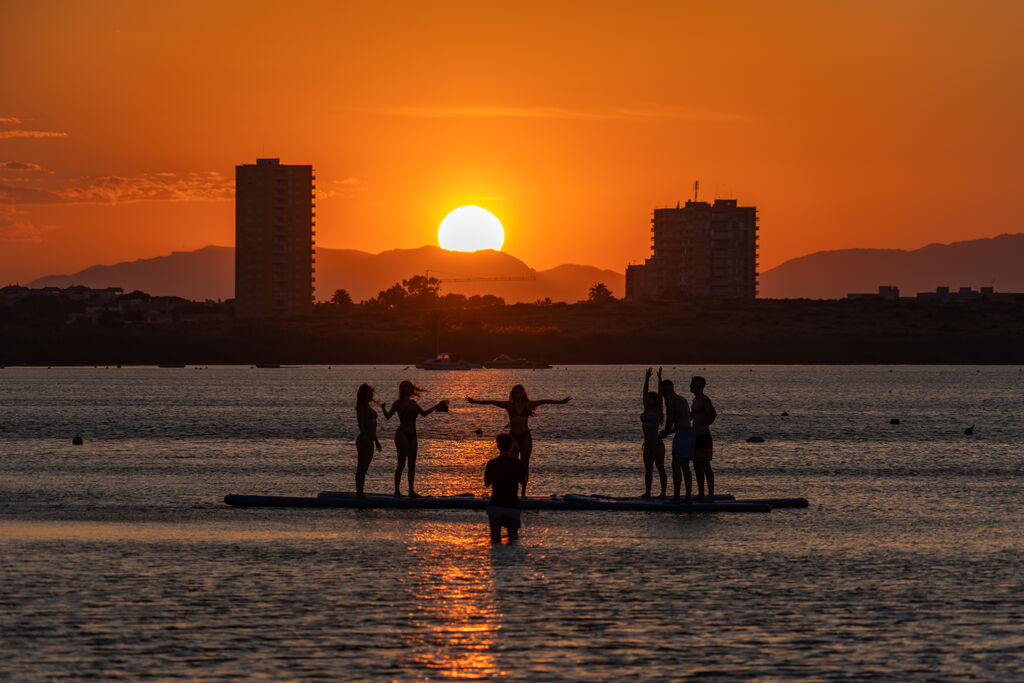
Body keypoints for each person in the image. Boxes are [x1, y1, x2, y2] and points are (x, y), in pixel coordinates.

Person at [466, 384, 571, 497]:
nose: (519, 395)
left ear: (523, 393)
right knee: (514, 464)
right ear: (513, 394)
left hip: (525, 436)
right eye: (516, 392)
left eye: (520, 392)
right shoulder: (509, 405)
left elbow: (544, 401)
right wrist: (475, 401)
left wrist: (560, 402)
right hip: (513, 436)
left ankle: (523, 493)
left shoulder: (528, 404)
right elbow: (492, 402)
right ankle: (513, 492)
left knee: (525, 464)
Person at [382, 380, 448, 497]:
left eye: (409, 387)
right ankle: (397, 491)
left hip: (413, 435)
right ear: (402, 390)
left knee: (412, 465)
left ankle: (411, 491)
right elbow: (388, 416)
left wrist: (438, 405)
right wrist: (383, 409)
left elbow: (424, 413)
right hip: (402, 434)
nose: (408, 389)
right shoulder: (397, 403)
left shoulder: (413, 403)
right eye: (406, 387)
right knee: (401, 464)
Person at [658, 367, 695, 503]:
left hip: (682, 434)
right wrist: (668, 432)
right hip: (689, 432)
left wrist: (665, 433)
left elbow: (671, 418)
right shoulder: (682, 399)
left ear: (668, 388)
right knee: (685, 465)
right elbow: (682, 421)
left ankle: (677, 497)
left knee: (676, 464)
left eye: (663, 390)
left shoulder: (670, 399)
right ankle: (688, 496)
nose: (661, 393)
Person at [484, 433, 527, 543]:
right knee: (513, 541)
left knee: (495, 540)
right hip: (512, 506)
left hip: (495, 505)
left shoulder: (492, 463)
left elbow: (487, 483)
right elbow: (523, 481)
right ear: (511, 446)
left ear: (498, 446)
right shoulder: (517, 463)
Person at [690, 375, 718, 501]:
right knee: (696, 465)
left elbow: (713, 414)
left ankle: (710, 494)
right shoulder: (695, 400)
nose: (690, 385)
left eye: (693, 383)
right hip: (695, 437)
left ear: (700, 386)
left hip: (704, 436)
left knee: (705, 465)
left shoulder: (705, 400)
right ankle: (701, 493)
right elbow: (692, 416)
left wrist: (704, 425)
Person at [641, 368, 667, 498]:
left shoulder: (657, 410)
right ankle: (648, 492)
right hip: (647, 444)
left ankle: (663, 493)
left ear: (655, 400)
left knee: (660, 468)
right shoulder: (646, 409)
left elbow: (661, 393)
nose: (648, 399)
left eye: (651, 398)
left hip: (657, 444)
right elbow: (644, 393)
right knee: (648, 470)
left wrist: (659, 378)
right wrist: (646, 378)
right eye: (648, 398)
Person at [354, 383, 382, 497]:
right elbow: (362, 426)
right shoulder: (361, 408)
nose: (371, 394)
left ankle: (360, 492)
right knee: (361, 467)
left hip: (370, 440)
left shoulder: (368, 407)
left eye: (371, 392)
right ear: (363, 394)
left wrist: (376, 441)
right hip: (364, 440)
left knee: (364, 468)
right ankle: (359, 493)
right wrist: (367, 439)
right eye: (368, 392)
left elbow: (373, 427)